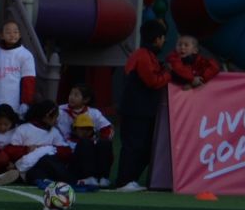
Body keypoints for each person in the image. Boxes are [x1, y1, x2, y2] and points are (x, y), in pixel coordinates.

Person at [118, 22, 172, 192]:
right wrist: (168, 73)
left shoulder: (145, 55)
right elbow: (153, 81)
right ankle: (124, 181)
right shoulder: (142, 56)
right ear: (157, 39)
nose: (164, 41)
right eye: (163, 38)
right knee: (134, 145)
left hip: (142, 110)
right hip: (136, 110)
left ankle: (130, 179)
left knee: (143, 146)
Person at [62, 83, 115, 188]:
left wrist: (97, 142)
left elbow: (108, 129)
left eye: (76, 95)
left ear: (86, 100)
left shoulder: (94, 113)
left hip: (89, 149)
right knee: (85, 143)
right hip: (70, 150)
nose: (71, 97)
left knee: (104, 144)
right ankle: (88, 177)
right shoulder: (60, 111)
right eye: (71, 94)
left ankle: (103, 178)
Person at [0, 104, 48, 186]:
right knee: (2, 157)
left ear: (12, 122)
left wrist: (15, 164)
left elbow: (20, 149)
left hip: (16, 161)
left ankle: (12, 176)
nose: (2, 127)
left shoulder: (19, 128)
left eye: (6, 124)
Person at [0, 20, 40, 111]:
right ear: (1, 35)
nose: (12, 35)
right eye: (8, 32)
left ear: (20, 34)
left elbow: (28, 81)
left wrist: (25, 103)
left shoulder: (25, 55)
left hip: (14, 104)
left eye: (15, 32)